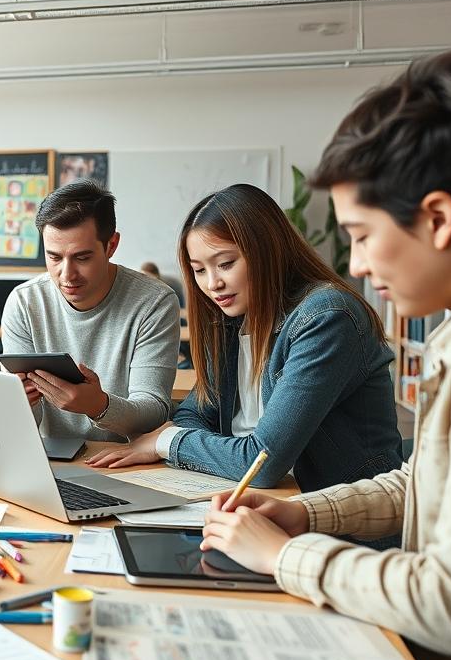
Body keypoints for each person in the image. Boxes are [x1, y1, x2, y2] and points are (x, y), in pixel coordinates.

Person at [197, 50, 451, 660]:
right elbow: (425, 477)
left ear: (437, 218)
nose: (357, 264)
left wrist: (283, 557)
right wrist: (300, 512)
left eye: (363, 235)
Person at [88, 184, 403, 495]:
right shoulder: (230, 321)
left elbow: (262, 462)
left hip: (332, 521)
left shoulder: (326, 319)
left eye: (226, 264)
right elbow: (193, 413)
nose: (213, 284)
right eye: (199, 270)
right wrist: (218, 452)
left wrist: (167, 441)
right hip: (250, 498)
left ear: (267, 251)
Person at [1, 180, 180, 442]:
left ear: (111, 245)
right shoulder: (24, 303)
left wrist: (98, 406)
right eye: (54, 257)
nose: (66, 275)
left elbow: (154, 411)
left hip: (127, 461)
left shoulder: (155, 302)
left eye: (82, 258)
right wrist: (19, 403)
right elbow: (25, 426)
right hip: (53, 461)